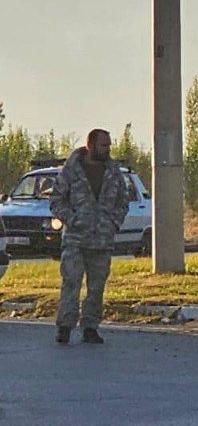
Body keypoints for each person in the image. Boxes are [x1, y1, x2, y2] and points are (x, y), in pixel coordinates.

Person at [49, 129, 131, 345]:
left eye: (109, 145)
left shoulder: (113, 172)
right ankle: (65, 327)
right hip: (75, 239)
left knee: (96, 287)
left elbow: (123, 200)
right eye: (104, 145)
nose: (108, 149)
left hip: (102, 240)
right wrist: (72, 219)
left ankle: (90, 327)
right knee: (71, 282)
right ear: (90, 146)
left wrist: (113, 222)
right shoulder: (71, 170)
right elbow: (56, 200)